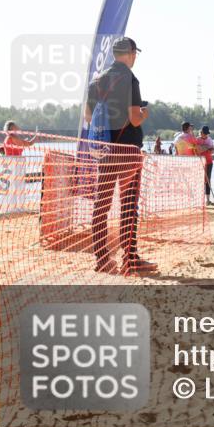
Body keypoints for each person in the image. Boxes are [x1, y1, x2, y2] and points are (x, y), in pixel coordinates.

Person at [84, 37, 157, 276]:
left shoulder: (96, 81)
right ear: (132, 53)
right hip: (127, 151)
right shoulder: (129, 78)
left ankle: (102, 259)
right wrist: (145, 113)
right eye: (135, 54)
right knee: (128, 205)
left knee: (101, 205)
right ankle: (130, 259)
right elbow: (135, 118)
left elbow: (88, 117)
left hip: (104, 150)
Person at [197, 126, 214, 205]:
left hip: (209, 162)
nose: (206, 135)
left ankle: (208, 200)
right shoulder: (197, 139)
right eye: (204, 134)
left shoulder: (209, 139)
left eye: (207, 134)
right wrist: (206, 148)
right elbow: (198, 150)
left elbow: (212, 151)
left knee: (208, 180)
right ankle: (200, 200)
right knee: (201, 180)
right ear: (201, 133)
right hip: (200, 162)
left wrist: (204, 148)